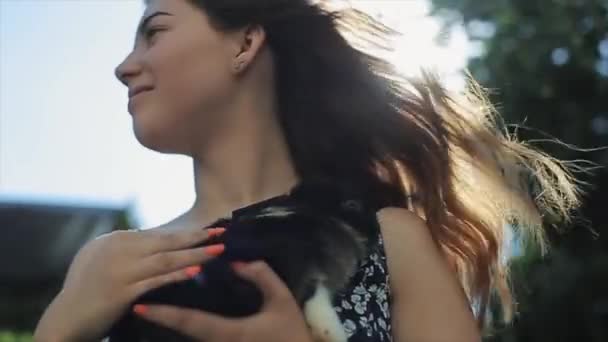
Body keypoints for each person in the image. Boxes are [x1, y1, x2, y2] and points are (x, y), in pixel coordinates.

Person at [34, 0, 582, 341]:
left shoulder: (387, 240)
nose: (123, 67)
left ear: (245, 43)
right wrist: (60, 326)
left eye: (154, 31)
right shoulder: (114, 265)